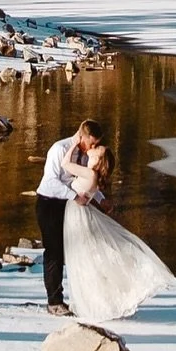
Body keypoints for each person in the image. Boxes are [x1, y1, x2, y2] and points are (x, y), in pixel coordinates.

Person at [61, 141, 173, 322]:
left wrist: (74, 144)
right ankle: (91, 301)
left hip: (77, 215)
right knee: (86, 258)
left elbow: (65, 164)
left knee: (85, 259)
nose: (94, 148)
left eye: (98, 151)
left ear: (98, 161)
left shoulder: (90, 173)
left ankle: (95, 303)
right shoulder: (93, 176)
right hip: (77, 213)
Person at [35, 118, 103, 315]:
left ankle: (80, 296)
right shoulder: (59, 149)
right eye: (92, 143)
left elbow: (83, 180)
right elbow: (50, 183)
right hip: (48, 203)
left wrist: (100, 199)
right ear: (82, 136)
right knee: (54, 252)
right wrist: (74, 197)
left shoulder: (84, 154)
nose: (94, 147)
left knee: (72, 252)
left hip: (69, 206)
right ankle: (54, 301)